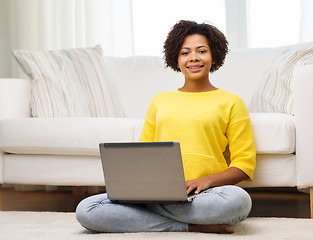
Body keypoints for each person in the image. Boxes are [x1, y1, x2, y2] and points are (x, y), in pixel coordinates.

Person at [76, 20, 256, 234]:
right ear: (176, 59)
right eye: (185, 52)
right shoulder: (159, 101)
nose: (194, 58)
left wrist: (205, 181)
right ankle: (186, 226)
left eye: (201, 51)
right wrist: (141, 191)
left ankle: (144, 217)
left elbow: (244, 165)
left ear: (214, 55)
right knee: (86, 209)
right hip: (156, 192)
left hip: (206, 195)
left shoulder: (231, 102)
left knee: (239, 201)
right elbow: (142, 156)